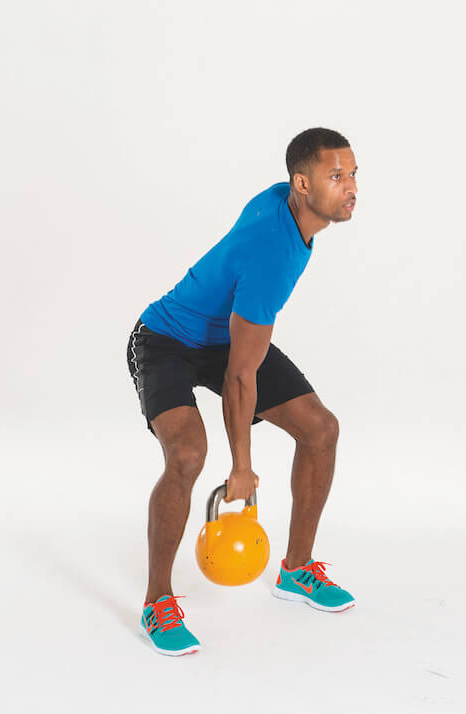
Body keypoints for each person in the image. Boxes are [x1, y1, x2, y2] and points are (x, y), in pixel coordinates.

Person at [126, 127, 359, 656]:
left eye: (352, 175)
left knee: (321, 430)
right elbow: (238, 376)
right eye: (336, 176)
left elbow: (239, 361)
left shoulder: (287, 203)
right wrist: (241, 468)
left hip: (226, 333)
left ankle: (297, 570)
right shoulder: (272, 255)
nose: (350, 188)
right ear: (302, 183)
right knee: (186, 455)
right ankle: (156, 600)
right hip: (165, 338)